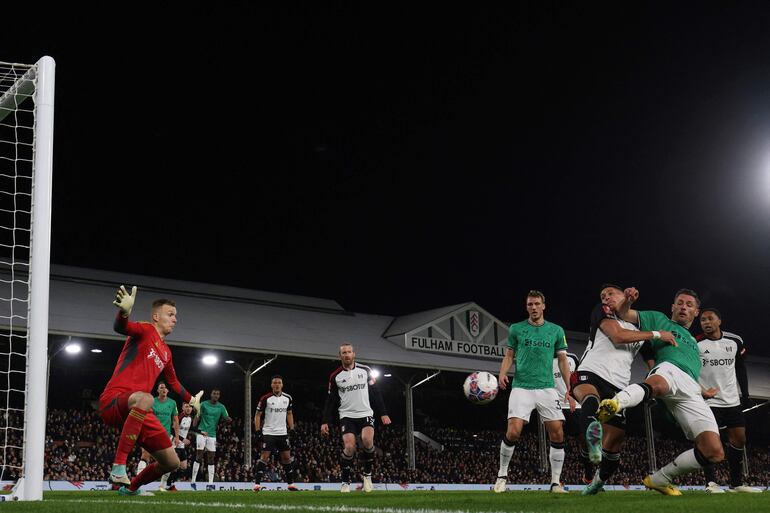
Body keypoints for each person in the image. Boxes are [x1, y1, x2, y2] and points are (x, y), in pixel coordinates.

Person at [596, 288, 725, 495]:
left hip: (691, 388)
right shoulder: (658, 319)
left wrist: (703, 391)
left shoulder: (693, 342)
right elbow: (624, 313)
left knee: (714, 451)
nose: (684, 307)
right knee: (659, 384)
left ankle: (659, 479)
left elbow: (690, 370)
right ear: (673, 307)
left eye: (689, 305)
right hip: (667, 369)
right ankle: (615, 403)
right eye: (680, 303)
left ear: (696, 312)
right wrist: (627, 301)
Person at [98, 285, 202, 496]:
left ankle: (131, 488)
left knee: (171, 462)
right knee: (147, 399)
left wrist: (192, 400)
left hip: (140, 408)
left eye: (176, 316)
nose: (175, 319)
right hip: (115, 399)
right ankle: (118, 468)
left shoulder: (166, 352)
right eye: (170, 314)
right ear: (156, 316)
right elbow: (122, 327)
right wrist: (124, 312)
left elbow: (173, 383)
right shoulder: (145, 330)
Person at [576, 284, 672, 495]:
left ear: (622, 296)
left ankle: (597, 483)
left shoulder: (640, 328)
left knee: (614, 447)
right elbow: (618, 336)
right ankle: (592, 449)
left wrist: (654, 379)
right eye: (603, 295)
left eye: (611, 294)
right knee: (590, 399)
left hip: (618, 386)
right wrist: (657, 333)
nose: (606, 298)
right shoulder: (602, 312)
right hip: (591, 370)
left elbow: (651, 360)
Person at [495, 290, 576, 494]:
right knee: (513, 431)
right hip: (522, 386)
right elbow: (509, 355)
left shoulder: (556, 330)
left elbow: (563, 360)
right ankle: (501, 477)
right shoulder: (516, 329)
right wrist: (502, 373)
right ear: (527, 307)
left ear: (543, 306)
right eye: (530, 304)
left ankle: (555, 483)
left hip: (547, 388)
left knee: (557, 432)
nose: (533, 307)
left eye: (536, 304)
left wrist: (569, 389)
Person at [696, 308, 761, 493]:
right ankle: (710, 483)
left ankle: (736, 483)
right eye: (702, 320)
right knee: (708, 442)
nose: (706, 322)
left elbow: (741, 369)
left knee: (739, 440)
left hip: (732, 401)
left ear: (719, 321)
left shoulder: (735, 341)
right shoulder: (696, 343)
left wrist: (745, 396)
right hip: (708, 400)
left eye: (710, 319)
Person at [321, 343, 391, 493]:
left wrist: (383, 413)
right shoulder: (335, 376)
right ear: (339, 356)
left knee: (367, 441)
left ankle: (367, 475)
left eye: (349, 352)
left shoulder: (365, 370)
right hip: (347, 415)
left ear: (354, 354)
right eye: (343, 352)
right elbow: (330, 400)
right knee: (350, 447)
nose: (347, 355)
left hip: (365, 413)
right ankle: (345, 482)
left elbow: (376, 392)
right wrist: (325, 421)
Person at [253, 375, 299, 492]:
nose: (277, 384)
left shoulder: (288, 398)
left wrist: (292, 428)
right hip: (268, 432)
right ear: (271, 385)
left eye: (279, 382)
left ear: (282, 385)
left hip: (282, 433)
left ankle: (291, 484)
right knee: (264, 457)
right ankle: (257, 484)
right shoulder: (266, 398)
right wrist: (258, 431)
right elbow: (257, 415)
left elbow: (289, 413)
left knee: (287, 458)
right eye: (275, 383)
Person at [191, 389, 231, 490]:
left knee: (211, 458)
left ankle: (210, 483)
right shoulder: (204, 404)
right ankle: (193, 482)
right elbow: (197, 416)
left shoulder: (221, 407)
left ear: (219, 396)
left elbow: (226, 418)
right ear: (211, 395)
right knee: (199, 456)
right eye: (214, 394)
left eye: (218, 394)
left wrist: (228, 420)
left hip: (212, 435)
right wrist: (195, 424)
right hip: (202, 432)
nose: (216, 395)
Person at [149, 382, 180, 492]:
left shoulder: (172, 403)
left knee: (171, 462)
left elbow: (176, 420)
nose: (164, 389)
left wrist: (177, 437)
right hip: (152, 434)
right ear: (157, 390)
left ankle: (162, 485)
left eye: (165, 388)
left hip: (167, 436)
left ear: (167, 391)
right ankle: (137, 484)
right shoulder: (152, 401)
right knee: (145, 456)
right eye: (161, 388)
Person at [165, 401, 194, 491]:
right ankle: (168, 484)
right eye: (186, 406)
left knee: (184, 467)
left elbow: (191, 428)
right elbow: (173, 431)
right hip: (175, 444)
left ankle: (171, 483)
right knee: (175, 466)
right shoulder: (179, 417)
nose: (188, 408)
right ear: (182, 408)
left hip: (182, 446)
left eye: (190, 407)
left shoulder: (190, 418)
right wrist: (182, 439)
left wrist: (201, 432)